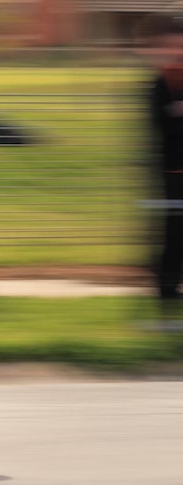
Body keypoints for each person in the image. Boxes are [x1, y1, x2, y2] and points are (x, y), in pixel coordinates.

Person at [144, 15, 183, 299]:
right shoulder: (158, 84)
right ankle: (167, 290)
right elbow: (163, 126)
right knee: (173, 233)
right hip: (171, 172)